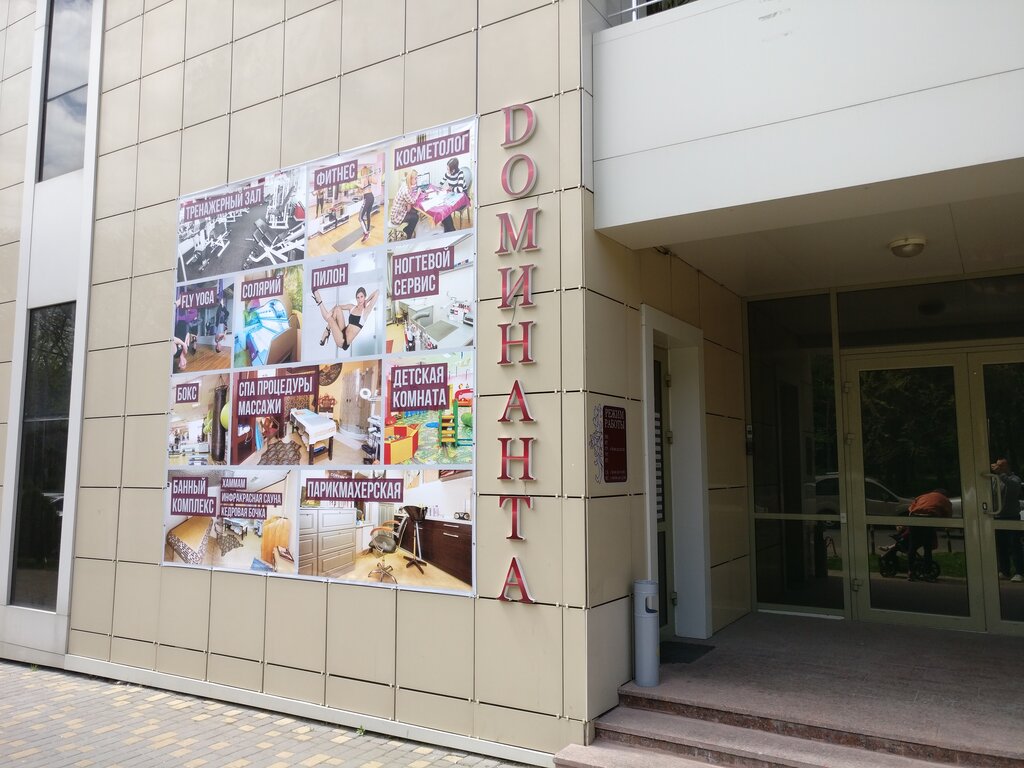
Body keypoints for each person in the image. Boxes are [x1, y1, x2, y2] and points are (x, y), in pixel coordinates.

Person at [904, 489, 952, 581]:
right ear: (944, 494)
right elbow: (949, 515)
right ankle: (927, 572)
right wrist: (947, 527)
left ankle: (910, 572)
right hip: (929, 518)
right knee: (927, 547)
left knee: (912, 547)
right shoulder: (945, 500)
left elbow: (910, 509)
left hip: (914, 517)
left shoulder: (922, 496)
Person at [313, 286, 379, 351]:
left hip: (343, 341)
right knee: (337, 309)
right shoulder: (352, 307)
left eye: (362, 297)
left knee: (330, 319)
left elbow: (377, 292)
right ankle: (327, 330)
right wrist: (331, 312)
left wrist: (367, 301)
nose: (360, 300)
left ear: (365, 297)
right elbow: (337, 307)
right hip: (343, 330)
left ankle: (319, 301)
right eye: (358, 297)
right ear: (356, 298)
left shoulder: (366, 311)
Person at [990, 458, 1023, 582]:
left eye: (1001, 465)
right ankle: (1004, 571)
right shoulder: (995, 480)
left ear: (1008, 466)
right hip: (998, 516)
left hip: (1012, 516)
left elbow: (1013, 488)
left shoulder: (1015, 479)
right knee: (1001, 546)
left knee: (1015, 545)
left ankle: (1020, 572)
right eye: (997, 465)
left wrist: (1001, 475)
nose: (998, 467)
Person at [389, 170, 420, 240]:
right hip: (396, 216)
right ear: (410, 179)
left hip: (399, 211)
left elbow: (409, 204)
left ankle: (408, 228)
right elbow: (412, 201)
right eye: (415, 178)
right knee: (415, 217)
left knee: (414, 211)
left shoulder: (405, 185)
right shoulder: (405, 191)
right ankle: (408, 234)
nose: (417, 180)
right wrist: (418, 193)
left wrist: (408, 204)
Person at [438, 158, 466, 233]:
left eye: (448, 169)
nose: (447, 171)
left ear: (453, 170)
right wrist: (439, 189)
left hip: (462, 197)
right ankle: (449, 229)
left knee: (446, 209)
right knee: (442, 206)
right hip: (453, 194)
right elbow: (441, 183)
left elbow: (460, 190)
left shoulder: (460, 173)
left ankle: (450, 230)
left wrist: (450, 188)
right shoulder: (447, 174)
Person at [358, 167, 374, 243]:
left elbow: (361, 186)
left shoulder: (364, 178)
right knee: (368, 214)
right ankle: (367, 230)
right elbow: (362, 189)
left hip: (367, 198)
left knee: (360, 217)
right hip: (371, 197)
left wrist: (355, 183)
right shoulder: (368, 178)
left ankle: (366, 233)